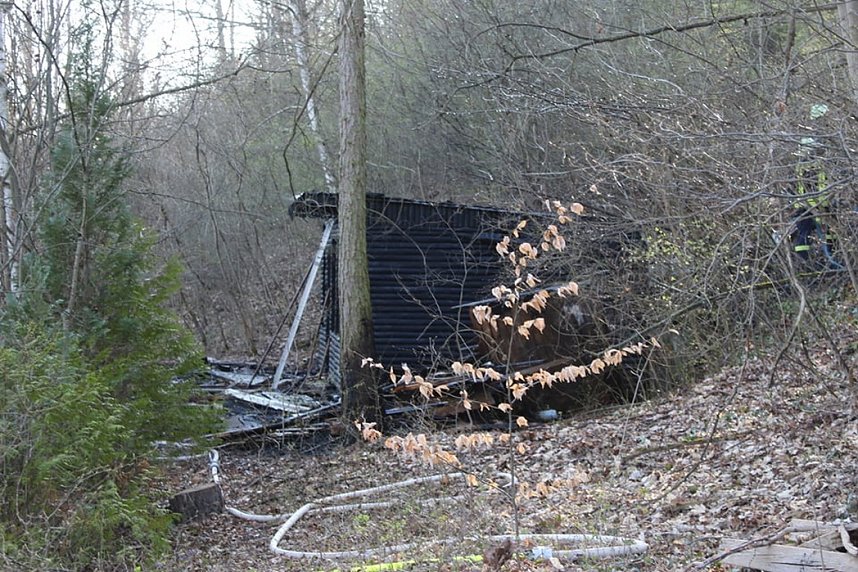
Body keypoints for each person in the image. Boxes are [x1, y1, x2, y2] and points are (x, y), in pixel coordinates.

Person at [791, 104, 839, 269]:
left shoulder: (802, 150)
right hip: (819, 203)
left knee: (805, 235)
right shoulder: (819, 149)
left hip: (804, 205)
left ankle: (805, 267)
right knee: (825, 234)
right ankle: (828, 265)